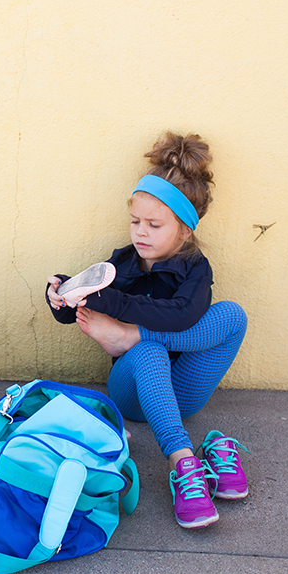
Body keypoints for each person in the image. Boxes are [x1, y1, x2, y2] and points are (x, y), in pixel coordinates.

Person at [45, 132, 248, 530]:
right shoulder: (121, 264)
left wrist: (125, 327)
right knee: (148, 351)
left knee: (232, 315)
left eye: (154, 225)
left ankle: (132, 339)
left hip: (185, 392)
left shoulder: (195, 269)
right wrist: (61, 294)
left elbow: (182, 317)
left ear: (184, 230)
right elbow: (76, 310)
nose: (141, 232)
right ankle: (184, 462)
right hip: (131, 395)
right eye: (135, 221)